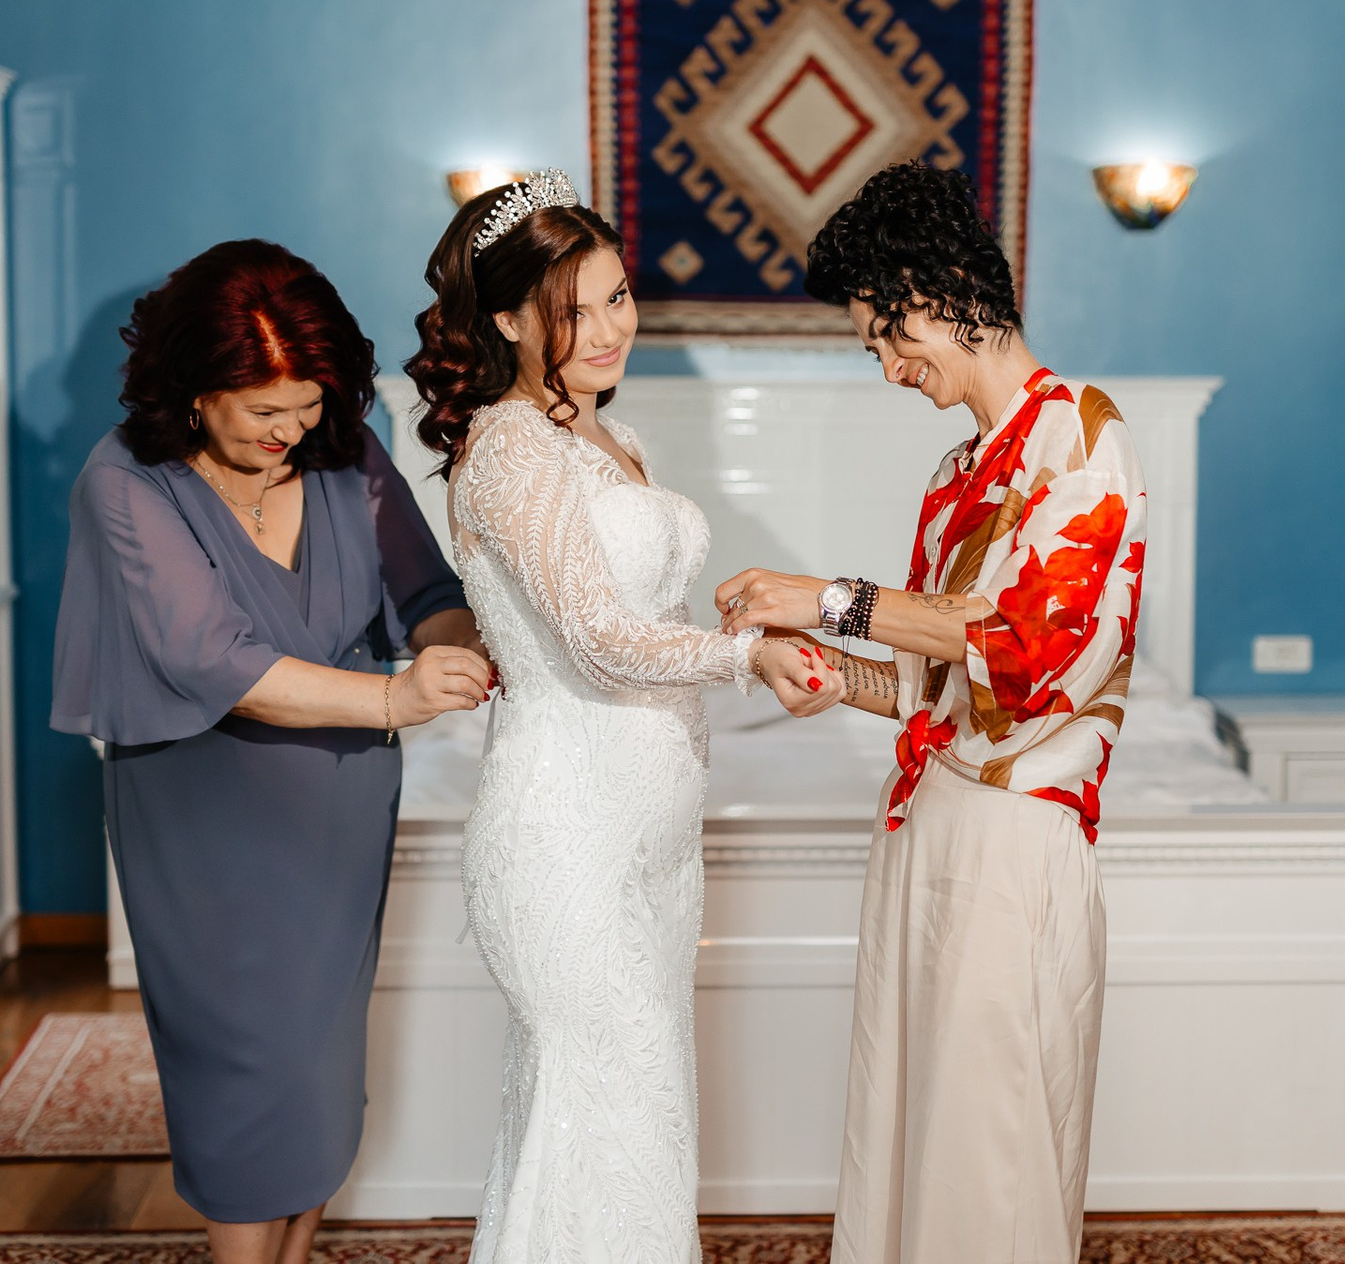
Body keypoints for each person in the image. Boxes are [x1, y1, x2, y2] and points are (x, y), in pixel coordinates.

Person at [402, 169, 843, 1263]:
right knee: (607, 1116)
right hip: (565, 834)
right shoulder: (510, 446)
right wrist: (747, 655)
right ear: (510, 320)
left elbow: (647, 623)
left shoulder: (616, 438)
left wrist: (731, 623)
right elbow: (599, 640)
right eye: (573, 310)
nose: (608, 330)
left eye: (618, 296)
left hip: (654, 836)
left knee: (637, 1122)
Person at [714, 161, 1147, 1263]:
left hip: (1015, 833)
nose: (888, 367)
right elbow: (933, 685)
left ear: (945, 290)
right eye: (873, 347)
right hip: (922, 829)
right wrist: (820, 666)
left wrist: (827, 597)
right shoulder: (959, 471)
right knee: (911, 1129)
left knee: (990, 1147)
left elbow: (1023, 646)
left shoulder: (1083, 434)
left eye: (887, 335)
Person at [51, 239, 492, 1264]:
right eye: (264, 409)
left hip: (341, 803)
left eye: (308, 402)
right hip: (204, 814)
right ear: (195, 389)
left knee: (319, 1072)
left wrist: (461, 649)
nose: (290, 429)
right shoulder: (125, 483)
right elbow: (218, 660)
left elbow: (428, 592)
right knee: (240, 1073)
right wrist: (398, 694)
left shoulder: (345, 451)